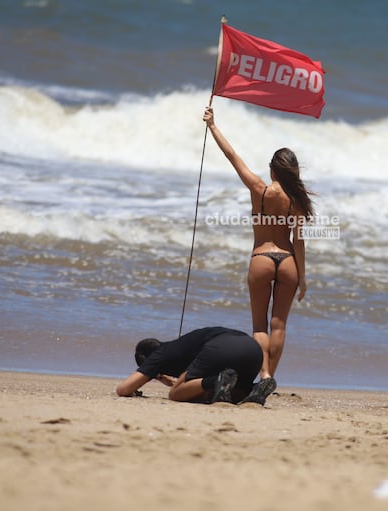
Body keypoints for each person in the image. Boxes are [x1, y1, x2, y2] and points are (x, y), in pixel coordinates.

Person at [203, 106, 315, 391]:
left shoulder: (259, 190)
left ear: (272, 169)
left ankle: (262, 373)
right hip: (288, 261)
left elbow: (232, 157)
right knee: (279, 326)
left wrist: (213, 126)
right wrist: (302, 277)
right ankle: (269, 378)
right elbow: (299, 241)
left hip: (261, 257)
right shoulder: (297, 199)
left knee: (259, 326)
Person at [115, 326, 276, 405]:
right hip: (253, 350)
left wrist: (157, 376)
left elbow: (123, 389)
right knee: (230, 392)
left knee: (175, 394)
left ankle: (215, 380)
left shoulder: (159, 354)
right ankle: (253, 388)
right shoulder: (178, 346)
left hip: (221, 348)